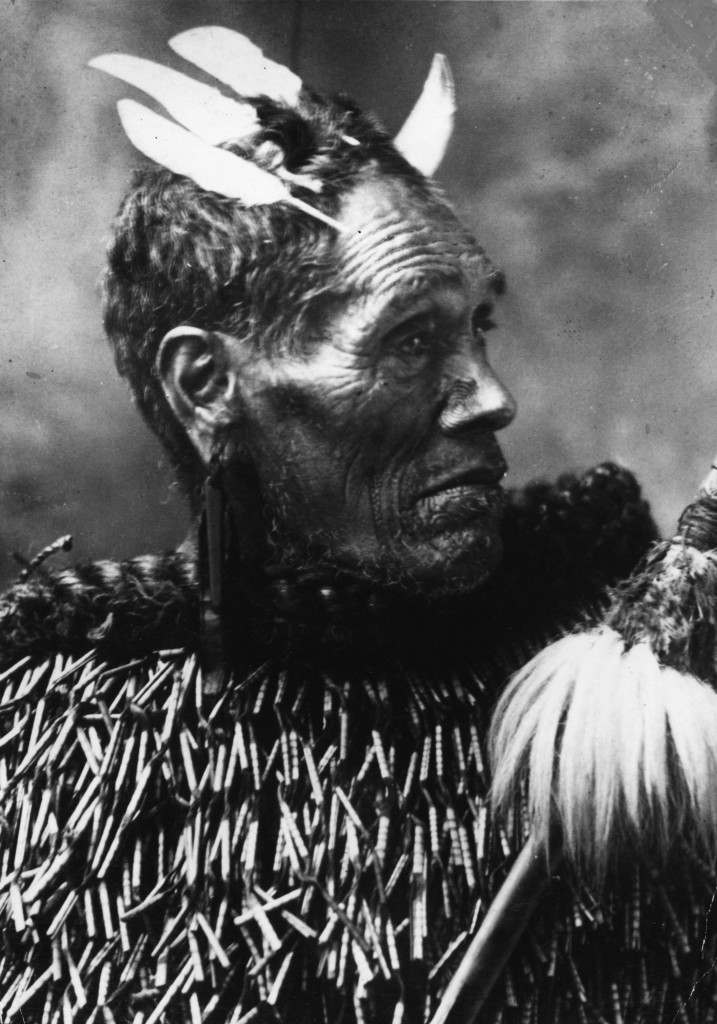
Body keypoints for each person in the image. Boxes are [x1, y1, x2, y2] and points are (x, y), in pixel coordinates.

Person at [0, 27, 709, 1024]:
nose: (492, 396)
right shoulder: (47, 743)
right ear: (209, 386)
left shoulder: (640, 661)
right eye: (412, 338)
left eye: (478, 327)